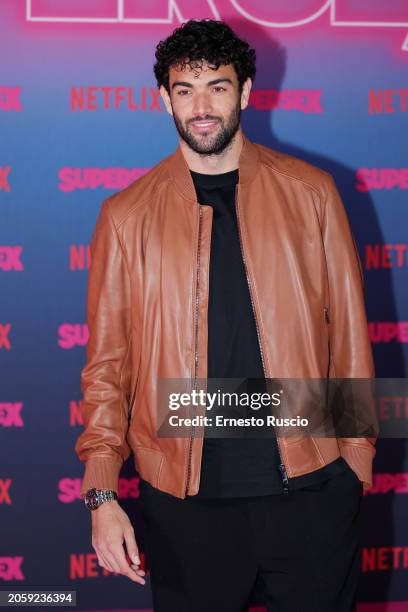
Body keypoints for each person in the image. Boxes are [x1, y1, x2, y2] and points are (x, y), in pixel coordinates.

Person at [75, 19, 377, 612]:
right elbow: (108, 365)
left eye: (217, 86)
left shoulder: (311, 193)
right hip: (186, 506)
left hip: (313, 489)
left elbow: (348, 332)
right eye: (184, 91)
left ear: (245, 92)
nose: (201, 106)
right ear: (164, 98)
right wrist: (101, 490)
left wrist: (356, 459)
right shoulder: (125, 215)